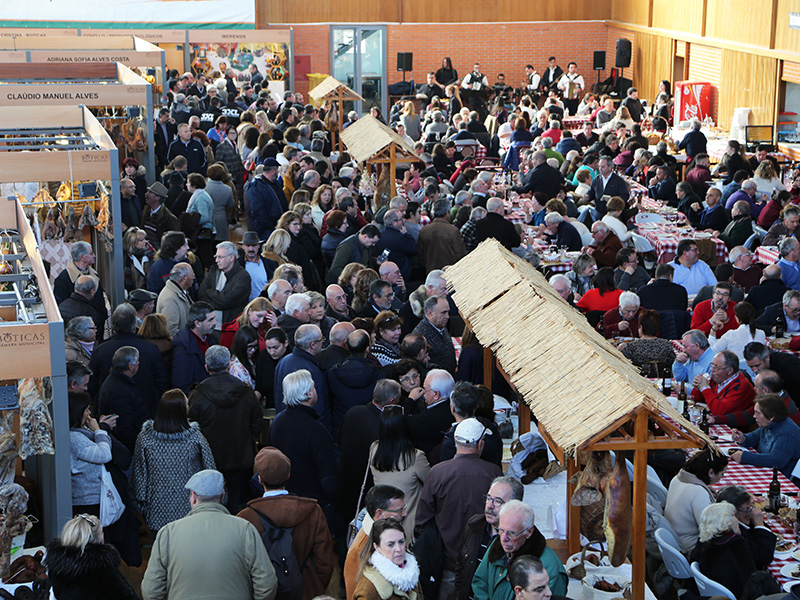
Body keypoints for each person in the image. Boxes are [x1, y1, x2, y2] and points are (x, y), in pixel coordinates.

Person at [141, 469, 277, 600]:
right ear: (223, 495)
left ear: (193, 497)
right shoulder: (245, 529)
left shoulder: (168, 533)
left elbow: (151, 592)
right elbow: (266, 584)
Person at [414, 418, 502, 600]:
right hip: (483, 563)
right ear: (480, 444)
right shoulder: (493, 473)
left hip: (448, 564)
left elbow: (421, 521)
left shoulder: (437, 473)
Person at [237, 447, 335, 600]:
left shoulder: (246, 517)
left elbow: (242, 566)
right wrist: (314, 587)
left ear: (260, 479)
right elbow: (325, 563)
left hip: (265, 594)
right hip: (306, 591)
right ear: (288, 476)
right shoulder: (313, 511)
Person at [189, 345, 263, 513]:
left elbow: (191, 428)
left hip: (209, 461)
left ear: (206, 367)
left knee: (210, 508)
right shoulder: (245, 391)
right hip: (241, 458)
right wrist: (247, 441)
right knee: (238, 508)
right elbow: (256, 422)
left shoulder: (197, 394)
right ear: (229, 366)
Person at [132, 389, 216, 533]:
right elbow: (209, 469)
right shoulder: (195, 438)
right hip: (189, 507)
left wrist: (141, 503)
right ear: (181, 410)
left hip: (156, 507)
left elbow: (140, 475)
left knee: (161, 552)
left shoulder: (145, 438)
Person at [270, 369, 338, 513]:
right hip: (312, 504)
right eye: (313, 388)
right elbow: (327, 475)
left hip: (285, 500)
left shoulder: (277, 423)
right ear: (309, 394)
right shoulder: (317, 430)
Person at [472, 500, 568, 599]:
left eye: (511, 533)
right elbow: (480, 582)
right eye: (500, 530)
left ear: (529, 532)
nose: (504, 539)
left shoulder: (550, 568)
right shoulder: (497, 547)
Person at [88, 303, 169, 418]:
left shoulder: (100, 351)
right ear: (134, 325)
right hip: (146, 415)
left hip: (111, 416)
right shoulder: (150, 350)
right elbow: (162, 382)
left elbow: (92, 385)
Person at [453, 477, 524, 600]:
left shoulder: (518, 539)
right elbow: (461, 566)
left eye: (498, 501)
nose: (490, 506)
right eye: (488, 498)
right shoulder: (473, 525)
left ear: (514, 506)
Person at [44, 513, 139, 600]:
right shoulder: (105, 573)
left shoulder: (57, 569)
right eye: (101, 532)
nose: (103, 535)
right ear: (94, 541)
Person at [369, 405, 430, 538]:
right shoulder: (415, 457)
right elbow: (431, 484)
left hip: (382, 523)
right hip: (408, 526)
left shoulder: (374, 450)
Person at [344, 486, 408, 600]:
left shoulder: (394, 534)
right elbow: (354, 594)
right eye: (399, 510)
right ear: (379, 514)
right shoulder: (359, 551)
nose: (405, 514)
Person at [690, 503, 764, 600]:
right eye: (734, 515)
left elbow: (693, 558)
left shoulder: (705, 540)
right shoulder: (736, 544)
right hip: (736, 594)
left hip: (714, 591)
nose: (737, 520)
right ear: (725, 521)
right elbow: (751, 578)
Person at [664, 447, 729, 553]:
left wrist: (705, 487)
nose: (722, 477)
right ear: (711, 472)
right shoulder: (698, 492)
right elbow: (710, 530)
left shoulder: (678, 478)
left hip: (673, 536)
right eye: (722, 474)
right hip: (688, 545)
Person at [328, 330, 385, 437]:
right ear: (368, 349)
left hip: (341, 428)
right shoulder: (379, 376)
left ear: (347, 346)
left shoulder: (333, 374)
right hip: (369, 429)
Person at [729, 394, 800, 478]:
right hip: (766, 471)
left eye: (758, 413)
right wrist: (743, 438)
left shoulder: (787, 432)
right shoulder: (769, 423)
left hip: (782, 479)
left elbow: (776, 461)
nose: (754, 416)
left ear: (771, 416)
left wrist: (744, 456)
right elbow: (754, 437)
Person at [352, 518, 422, 600]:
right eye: (390, 544)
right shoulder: (368, 588)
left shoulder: (411, 573)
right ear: (377, 547)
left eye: (401, 542)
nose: (398, 549)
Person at [68, 392, 113, 515]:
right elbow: (105, 454)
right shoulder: (74, 438)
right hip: (86, 500)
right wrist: (98, 430)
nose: (89, 414)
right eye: (86, 410)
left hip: (90, 496)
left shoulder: (79, 432)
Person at [715, 485, 776, 571]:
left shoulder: (719, 521)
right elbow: (764, 556)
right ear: (732, 513)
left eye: (751, 507)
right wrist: (759, 524)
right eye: (747, 509)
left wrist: (758, 524)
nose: (751, 513)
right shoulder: (735, 533)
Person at [97, 346, 144, 453]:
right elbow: (124, 427)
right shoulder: (118, 390)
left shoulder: (119, 382)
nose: (139, 363)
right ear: (130, 366)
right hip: (128, 448)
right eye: (137, 361)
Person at [198, 241, 252, 327]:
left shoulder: (243, 277)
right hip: (210, 325)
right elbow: (201, 295)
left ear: (231, 257)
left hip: (230, 326)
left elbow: (228, 300)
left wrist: (210, 292)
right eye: (216, 257)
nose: (216, 260)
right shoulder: (213, 272)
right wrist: (220, 302)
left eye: (220, 257)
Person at [690, 350, 755, 416]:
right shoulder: (718, 378)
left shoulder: (740, 386)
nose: (711, 370)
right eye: (712, 365)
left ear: (729, 371)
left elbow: (720, 412)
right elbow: (697, 401)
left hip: (733, 425)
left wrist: (705, 388)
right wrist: (698, 387)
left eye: (716, 367)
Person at [172, 301, 217, 393]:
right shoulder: (183, 350)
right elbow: (182, 386)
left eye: (214, 318)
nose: (215, 323)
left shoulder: (211, 338)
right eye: (210, 320)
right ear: (197, 323)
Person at [744, 341, 800, 408]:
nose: (754, 370)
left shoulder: (788, 365)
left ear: (767, 358)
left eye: (757, 365)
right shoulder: (764, 368)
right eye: (751, 366)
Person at [418, 199, 467, 273]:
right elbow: (461, 255)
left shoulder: (424, 230)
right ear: (447, 213)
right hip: (450, 272)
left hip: (430, 272)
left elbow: (421, 256)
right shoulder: (453, 231)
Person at [413, 296, 457, 375]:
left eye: (448, 312)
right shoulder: (420, 335)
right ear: (430, 313)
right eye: (443, 313)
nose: (447, 316)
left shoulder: (441, 325)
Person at [156, 262, 195, 338]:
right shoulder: (170, 299)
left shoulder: (179, 292)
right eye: (192, 275)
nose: (194, 278)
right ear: (184, 278)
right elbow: (171, 331)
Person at [672, 329, 715, 394]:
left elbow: (711, 389)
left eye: (685, 347)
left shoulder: (713, 362)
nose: (683, 350)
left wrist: (689, 391)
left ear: (697, 346)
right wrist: (678, 362)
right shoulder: (693, 358)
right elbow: (680, 377)